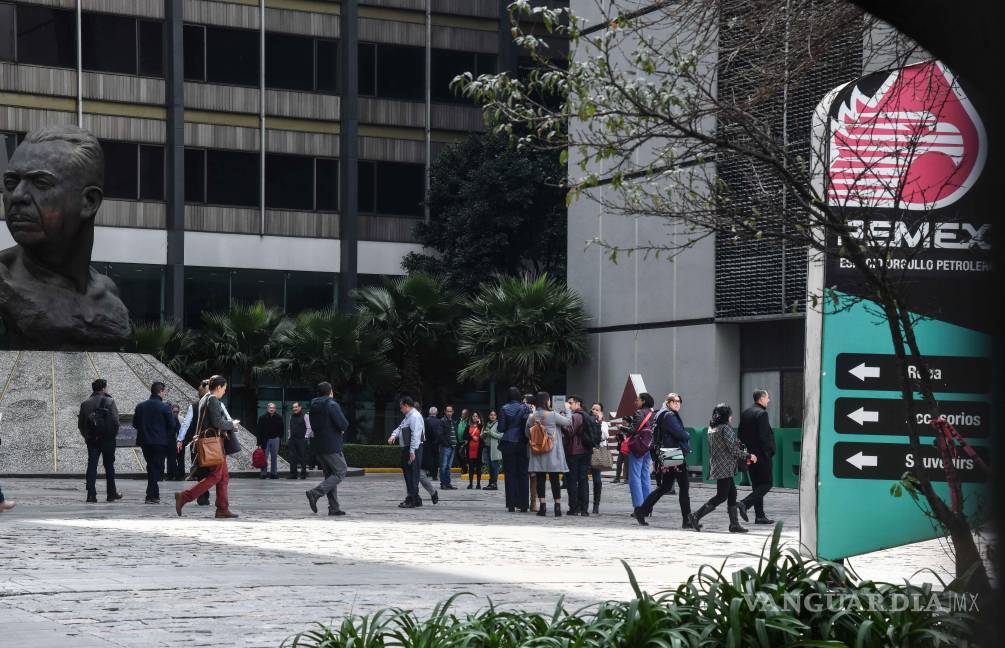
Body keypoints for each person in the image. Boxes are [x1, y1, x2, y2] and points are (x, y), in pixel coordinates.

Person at [174, 375, 240, 519]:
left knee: (223, 476)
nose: (224, 392)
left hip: (210, 442)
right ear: (218, 387)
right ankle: (184, 496)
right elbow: (217, 423)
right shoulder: (213, 400)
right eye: (224, 389)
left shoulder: (204, 398)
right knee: (216, 476)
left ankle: (222, 508)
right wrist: (232, 424)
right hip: (214, 444)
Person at [692, 403, 757, 533]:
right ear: (726, 416)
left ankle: (734, 524)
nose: (732, 417)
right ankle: (696, 515)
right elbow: (733, 450)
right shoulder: (725, 428)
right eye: (730, 415)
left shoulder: (712, 428)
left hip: (718, 465)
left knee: (732, 493)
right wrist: (749, 456)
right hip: (725, 467)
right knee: (721, 495)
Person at [635, 393, 697, 529]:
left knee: (666, 486)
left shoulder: (662, 413)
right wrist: (687, 434)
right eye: (674, 401)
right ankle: (687, 520)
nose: (677, 404)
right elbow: (679, 433)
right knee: (684, 486)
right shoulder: (669, 415)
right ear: (668, 403)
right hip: (673, 452)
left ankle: (641, 511)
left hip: (668, 452)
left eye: (679, 401)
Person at [305, 382, 350, 516]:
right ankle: (315, 493)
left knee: (330, 475)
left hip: (318, 445)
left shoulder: (313, 405)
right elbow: (343, 424)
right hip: (332, 445)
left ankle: (334, 507)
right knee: (341, 470)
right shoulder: (331, 404)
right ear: (330, 392)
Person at [77, 378, 122, 503]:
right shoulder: (110, 401)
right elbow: (116, 421)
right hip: (108, 440)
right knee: (109, 466)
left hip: (92, 440)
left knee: (92, 465)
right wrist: (112, 435)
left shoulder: (85, 403)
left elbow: (81, 424)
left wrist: (87, 436)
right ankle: (111, 493)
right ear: (103, 388)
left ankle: (91, 495)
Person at [526, 391, 570, 517]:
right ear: (546, 401)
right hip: (552, 452)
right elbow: (568, 422)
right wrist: (567, 409)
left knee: (540, 479)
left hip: (537, 452)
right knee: (554, 479)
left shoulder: (531, 417)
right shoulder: (553, 415)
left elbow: (527, 433)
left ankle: (542, 507)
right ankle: (557, 507)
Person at [134, 381, 176, 504]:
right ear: (161, 391)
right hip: (160, 442)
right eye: (164, 391)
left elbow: (135, 424)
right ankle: (151, 495)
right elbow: (172, 424)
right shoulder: (164, 407)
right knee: (155, 467)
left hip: (145, 441)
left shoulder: (140, 406)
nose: (165, 394)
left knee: (151, 466)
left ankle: (153, 494)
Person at [737, 389, 775, 525]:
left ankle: (760, 516)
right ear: (762, 398)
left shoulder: (746, 413)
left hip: (749, 456)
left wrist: (746, 454)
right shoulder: (762, 414)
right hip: (762, 456)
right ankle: (745, 503)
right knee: (767, 483)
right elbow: (763, 437)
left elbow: (740, 435)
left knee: (757, 485)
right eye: (767, 398)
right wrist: (768, 453)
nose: (769, 400)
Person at [388, 396, 433, 507]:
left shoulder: (415, 417)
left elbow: (415, 435)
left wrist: (412, 451)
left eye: (401, 407)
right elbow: (400, 427)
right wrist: (393, 435)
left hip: (413, 448)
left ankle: (411, 499)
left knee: (412, 474)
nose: (400, 409)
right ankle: (415, 498)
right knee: (409, 473)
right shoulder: (408, 417)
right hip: (408, 448)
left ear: (406, 405)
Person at [498, 387, 531, 512]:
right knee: (523, 474)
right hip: (522, 442)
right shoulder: (525, 408)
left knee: (510, 474)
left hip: (508, 442)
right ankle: (524, 505)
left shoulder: (504, 408)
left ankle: (511, 504)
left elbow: (501, 428)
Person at [626, 392, 656, 523]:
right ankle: (647, 507)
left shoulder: (639, 413)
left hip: (638, 447)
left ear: (643, 401)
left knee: (635, 476)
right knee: (645, 475)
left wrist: (623, 428)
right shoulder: (654, 414)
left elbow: (633, 430)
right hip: (649, 446)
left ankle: (638, 507)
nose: (635, 402)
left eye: (637, 400)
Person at [562, 396, 592, 516]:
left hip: (574, 452)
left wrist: (562, 424)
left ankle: (574, 508)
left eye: (571, 403)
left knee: (572, 480)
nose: (569, 405)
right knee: (583, 480)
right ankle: (584, 509)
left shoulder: (576, 416)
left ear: (578, 403)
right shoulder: (586, 415)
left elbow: (570, 431)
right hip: (586, 451)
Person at [588, 402, 611, 514]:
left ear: (601, 412)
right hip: (586, 451)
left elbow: (605, 436)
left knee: (597, 479)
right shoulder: (587, 420)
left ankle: (596, 504)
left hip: (598, 452)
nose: (594, 411)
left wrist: (599, 422)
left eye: (597, 410)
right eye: (593, 409)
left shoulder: (604, 423)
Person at [256, 402, 283, 479]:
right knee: (264, 457)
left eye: (273, 408)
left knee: (274, 457)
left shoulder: (279, 417)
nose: (272, 409)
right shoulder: (262, 418)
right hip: (265, 440)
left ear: (275, 409)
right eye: (270, 408)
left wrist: (279, 437)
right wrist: (259, 442)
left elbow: (282, 429)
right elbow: (259, 430)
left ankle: (274, 474)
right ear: (267, 408)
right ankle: (263, 474)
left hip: (275, 439)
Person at [287, 402, 310, 479]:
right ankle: (293, 474)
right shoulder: (291, 416)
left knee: (302, 457)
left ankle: (303, 474)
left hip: (301, 439)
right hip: (292, 440)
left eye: (296, 407)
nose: (294, 409)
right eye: (293, 407)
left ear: (300, 407)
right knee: (292, 457)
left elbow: (309, 427)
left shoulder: (305, 416)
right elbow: (289, 428)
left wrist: (305, 437)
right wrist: (289, 437)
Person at [439, 405, 458, 489]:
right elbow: (440, 435)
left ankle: (447, 483)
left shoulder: (453, 421)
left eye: (450, 411)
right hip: (445, 447)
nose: (449, 413)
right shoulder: (442, 421)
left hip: (453, 447)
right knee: (443, 466)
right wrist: (446, 444)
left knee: (448, 467)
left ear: (453, 412)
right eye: (448, 411)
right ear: (445, 412)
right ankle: (443, 483)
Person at [482, 410, 502, 490]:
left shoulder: (499, 424)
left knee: (494, 466)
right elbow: (481, 435)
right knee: (489, 466)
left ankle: (494, 484)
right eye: (491, 415)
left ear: (496, 416)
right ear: (488, 416)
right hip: (487, 448)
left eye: (494, 415)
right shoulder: (486, 424)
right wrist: (484, 434)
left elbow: (501, 436)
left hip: (495, 448)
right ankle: (490, 483)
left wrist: (491, 433)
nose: (492, 416)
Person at [464, 412, 484, 489]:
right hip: (470, 449)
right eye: (473, 416)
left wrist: (480, 424)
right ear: (471, 417)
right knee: (471, 467)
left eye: (476, 416)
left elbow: (483, 436)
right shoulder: (468, 426)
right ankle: (470, 484)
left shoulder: (481, 426)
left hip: (478, 449)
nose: (475, 417)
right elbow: (464, 436)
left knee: (478, 467)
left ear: (478, 417)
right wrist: (472, 437)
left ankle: (478, 484)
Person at [423, 406, 443, 481]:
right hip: (436, 444)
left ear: (429, 412)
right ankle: (434, 475)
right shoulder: (439, 421)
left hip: (427, 443)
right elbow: (440, 433)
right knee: (435, 458)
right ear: (436, 413)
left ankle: (428, 473)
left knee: (428, 458)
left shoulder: (425, 420)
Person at [164, 403, 182, 480]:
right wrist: (179, 440)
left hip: (163, 440)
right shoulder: (174, 417)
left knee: (164, 459)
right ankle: (173, 475)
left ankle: (166, 475)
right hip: (171, 440)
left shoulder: (162, 417)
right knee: (171, 459)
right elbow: (178, 429)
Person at [612, 416, 629, 483]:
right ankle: (617, 478)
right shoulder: (622, 430)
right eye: (623, 422)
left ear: (628, 423)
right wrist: (618, 438)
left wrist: (624, 438)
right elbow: (620, 440)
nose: (623, 424)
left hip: (627, 450)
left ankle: (627, 479)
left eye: (625, 423)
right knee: (618, 463)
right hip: (621, 449)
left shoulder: (630, 429)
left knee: (627, 465)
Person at [455, 408, 470, 474]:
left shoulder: (469, 422)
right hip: (458, 441)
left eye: (464, 414)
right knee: (457, 455)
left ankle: (464, 469)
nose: (463, 415)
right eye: (462, 413)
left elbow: (470, 432)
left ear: (467, 414)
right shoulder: (458, 421)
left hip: (465, 442)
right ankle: (463, 467)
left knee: (462, 455)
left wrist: (467, 439)